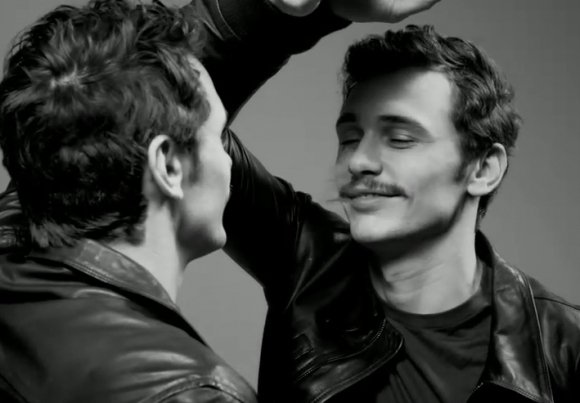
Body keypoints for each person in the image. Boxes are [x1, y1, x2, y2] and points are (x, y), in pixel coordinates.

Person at [215, 1, 580, 402]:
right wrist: (295, 10)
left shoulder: (564, 345)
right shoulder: (306, 259)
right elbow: (175, 118)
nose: (359, 161)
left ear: (483, 168)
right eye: (350, 139)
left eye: (400, 139)